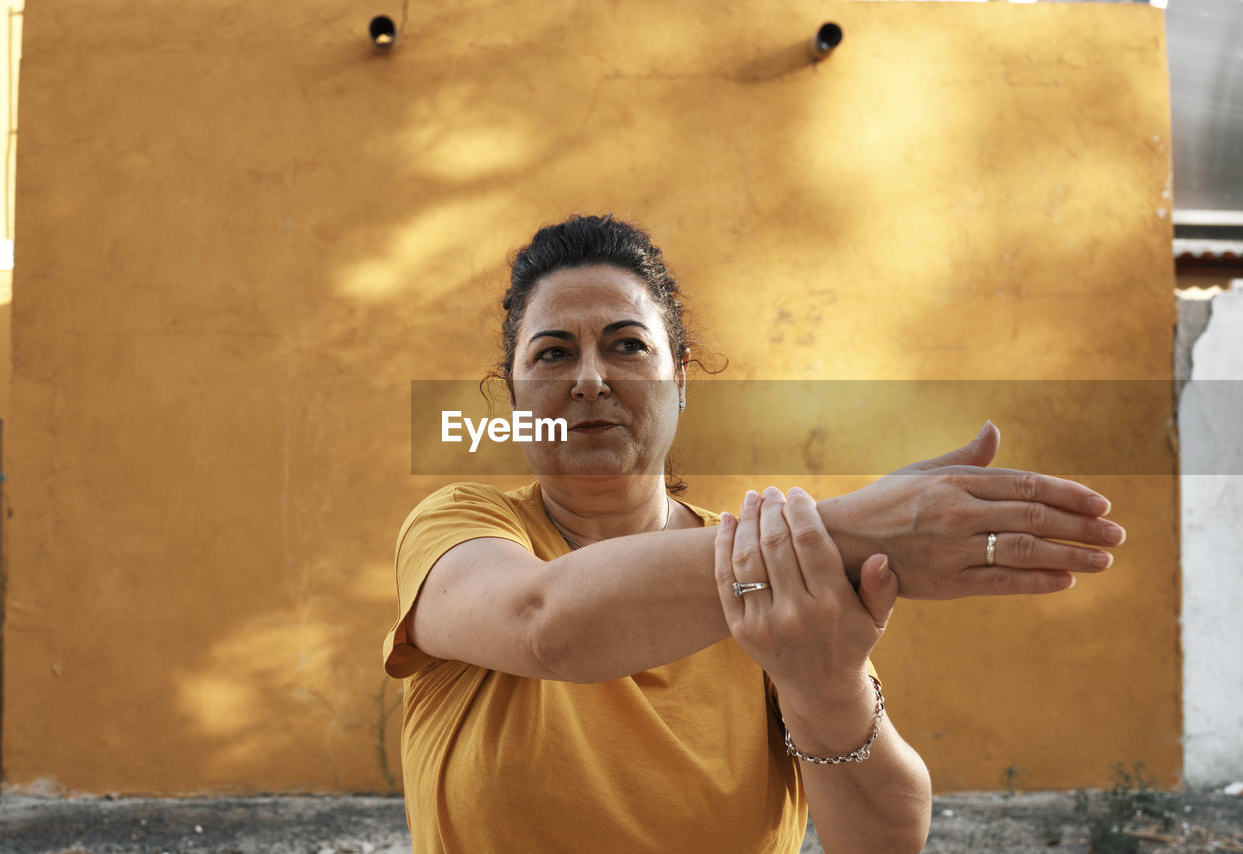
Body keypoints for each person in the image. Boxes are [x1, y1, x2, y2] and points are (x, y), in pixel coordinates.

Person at [382, 214, 1124, 853]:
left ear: (680, 383)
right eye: (552, 353)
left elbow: (885, 840)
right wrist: (861, 527)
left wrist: (823, 684)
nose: (589, 379)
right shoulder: (461, 525)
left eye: (627, 346)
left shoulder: (780, 569)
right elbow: (545, 623)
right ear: (511, 398)